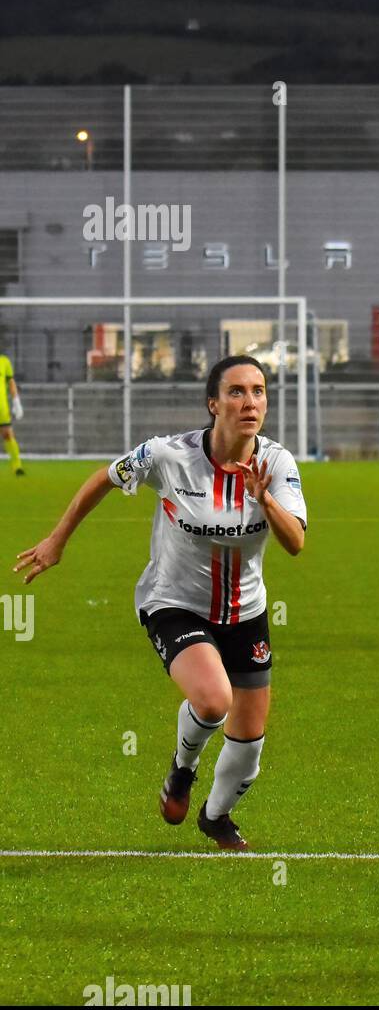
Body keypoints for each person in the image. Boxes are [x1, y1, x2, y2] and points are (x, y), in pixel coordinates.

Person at [13, 356, 306, 850]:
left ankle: (216, 818)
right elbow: (103, 478)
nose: (249, 402)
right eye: (236, 392)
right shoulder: (168, 455)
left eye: (258, 391)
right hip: (173, 603)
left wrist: (266, 500)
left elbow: (296, 543)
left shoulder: (277, 464)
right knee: (214, 700)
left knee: (250, 744)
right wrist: (58, 540)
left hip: (247, 612)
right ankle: (182, 767)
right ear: (213, 403)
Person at [0, 350, 25, 476]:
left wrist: (16, 402)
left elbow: (11, 382)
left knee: (8, 434)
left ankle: (17, 467)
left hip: (1, 407)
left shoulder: (4, 361)